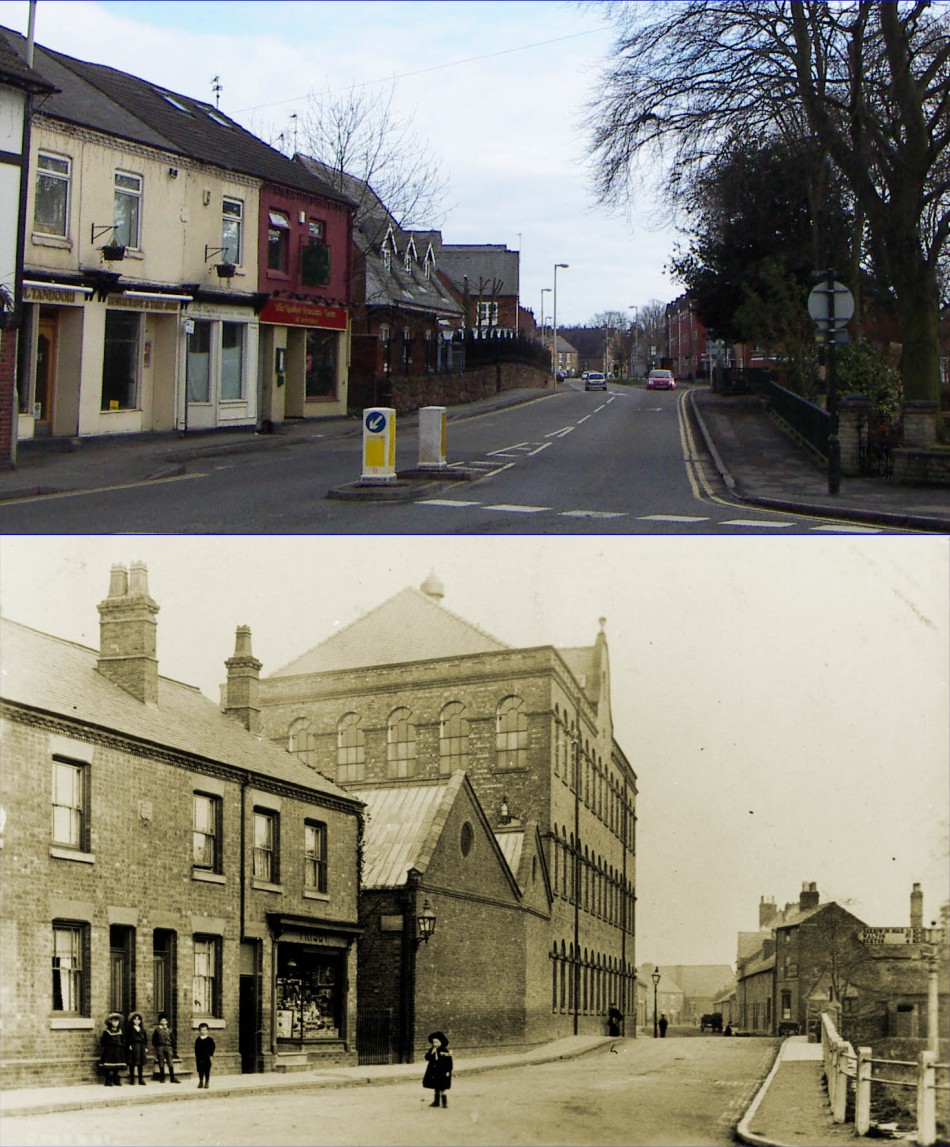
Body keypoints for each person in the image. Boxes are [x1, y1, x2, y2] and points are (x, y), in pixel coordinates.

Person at [422, 1030, 453, 1108]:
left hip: (443, 1071)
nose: (435, 1044)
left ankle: (444, 1103)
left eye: (437, 1042)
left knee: (443, 1087)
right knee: (436, 1086)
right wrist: (431, 1052)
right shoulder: (432, 1050)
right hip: (434, 1071)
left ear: (441, 1042)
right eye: (433, 1042)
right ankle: (436, 1102)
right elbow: (427, 1058)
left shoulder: (445, 1051)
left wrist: (448, 1071)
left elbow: (449, 1063)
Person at [152, 1013, 180, 1083]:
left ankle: (172, 1077)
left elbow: (173, 1039)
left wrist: (172, 1047)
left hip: (168, 1047)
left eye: (165, 1020)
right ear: (160, 1022)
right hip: (160, 1047)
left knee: (170, 1062)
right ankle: (162, 1077)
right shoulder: (157, 1030)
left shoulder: (169, 1030)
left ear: (167, 1022)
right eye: (162, 1020)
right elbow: (154, 1040)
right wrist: (157, 1047)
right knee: (161, 1062)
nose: (163, 1022)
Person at [99, 1012, 126, 1086]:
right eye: (114, 1021)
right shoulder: (107, 1032)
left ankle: (116, 1079)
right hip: (109, 1051)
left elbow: (123, 1041)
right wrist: (109, 1044)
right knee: (108, 1066)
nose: (115, 1023)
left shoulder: (120, 1032)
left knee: (116, 1066)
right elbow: (103, 1042)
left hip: (118, 1051)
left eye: (117, 1021)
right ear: (110, 1022)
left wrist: (121, 1045)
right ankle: (108, 1080)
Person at [126, 1012, 148, 1085]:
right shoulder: (130, 1029)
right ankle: (132, 1079)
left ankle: (140, 1079)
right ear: (132, 1020)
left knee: (140, 1064)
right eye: (135, 1019)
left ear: (140, 1021)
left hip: (141, 1046)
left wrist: (146, 1047)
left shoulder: (142, 1029)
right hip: (134, 1046)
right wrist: (129, 1045)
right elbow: (127, 1038)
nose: (137, 1021)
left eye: (138, 1020)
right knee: (132, 1063)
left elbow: (145, 1039)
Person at [194, 1022, 216, 1089]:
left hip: (206, 1057)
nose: (203, 1032)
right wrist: (197, 1056)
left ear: (207, 1031)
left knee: (207, 1070)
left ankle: (207, 1082)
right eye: (201, 1030)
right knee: (200, 1070)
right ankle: (201, 1081)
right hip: (199, 1057)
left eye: (204, 1030)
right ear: (199, 1031)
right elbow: (196, 1048)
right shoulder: (198, 1039)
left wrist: (210, 1055)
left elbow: (212, 1048)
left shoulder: (210, 1039)